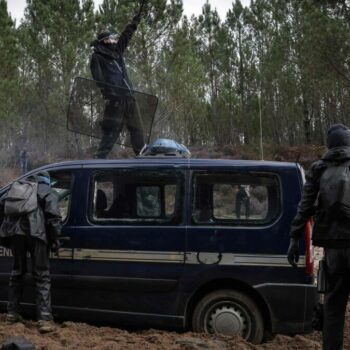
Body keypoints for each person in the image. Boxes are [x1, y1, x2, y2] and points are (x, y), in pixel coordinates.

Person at [287, 124, 350, 350]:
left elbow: (304, 207)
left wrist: (295, 238)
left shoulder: (318, 168)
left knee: (333, 307)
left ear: (330, 144)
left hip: (333, 249)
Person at [0, 171, 62, 333]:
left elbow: (1, 205)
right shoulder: (47, 191)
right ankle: (45, 319)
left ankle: (12, 314)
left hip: (15, 235)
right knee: (41, 274)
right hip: (37, 233)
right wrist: (55, 239)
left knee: (17, 272)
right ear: (47, 180)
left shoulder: (16, 189)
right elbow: (54, 217)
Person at [90, 10, 145, 158]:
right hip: (115, 101)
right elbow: (99, 79)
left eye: (114, 39)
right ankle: (98, 159)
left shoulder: (117, 52)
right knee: (111, 132)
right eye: (110, 40)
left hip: (129, 97)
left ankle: (141, 156)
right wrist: (111, 94)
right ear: (104, 42)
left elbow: (125, 37)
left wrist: (134, 22)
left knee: (137, 129)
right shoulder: (97, 57)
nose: (114, 42)